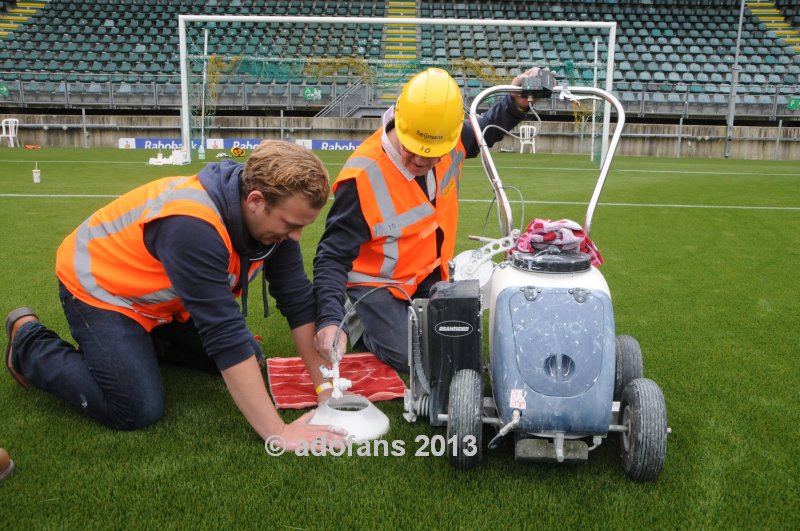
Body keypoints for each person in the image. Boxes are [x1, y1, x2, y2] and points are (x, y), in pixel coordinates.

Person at [5, 140, 346, 449]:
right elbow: (223, 334)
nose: (297, 236)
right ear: (256, 200)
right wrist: (279, 432)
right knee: (137, 408)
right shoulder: (192, 225)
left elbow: (298, 302)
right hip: (104, 291)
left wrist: (326, 392)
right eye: (291, 224)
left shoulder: (276, 225)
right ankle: (30, 343)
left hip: (161, 300)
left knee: (250, 356)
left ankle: (144, 343)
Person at [314, 67, 543, 372]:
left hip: (427, 276)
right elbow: (331, 256)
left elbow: (488, 128)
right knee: (414, 357)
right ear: (399, 122)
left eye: (433, 154)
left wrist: (515, 102)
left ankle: (395, 316)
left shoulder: (452, 140)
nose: (422, 161)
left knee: (453, 344)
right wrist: (330, 319)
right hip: (378, 284)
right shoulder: (361, 178)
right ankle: (361, 317)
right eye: (413, 151)